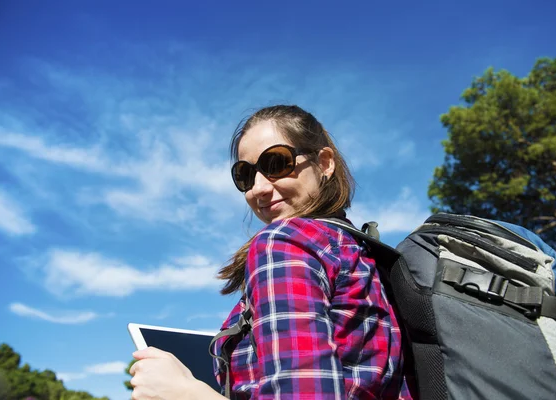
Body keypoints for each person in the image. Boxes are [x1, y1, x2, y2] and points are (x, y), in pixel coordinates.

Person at [129, 105, 414, 399]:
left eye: (277, 163)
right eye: (245, 174)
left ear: (325, 163)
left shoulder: (284, 241)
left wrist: (184, 393)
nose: (258, 188)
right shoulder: (363, 253)